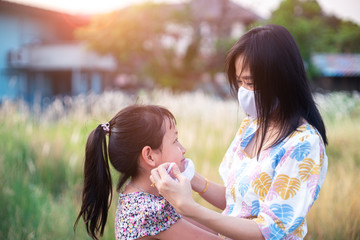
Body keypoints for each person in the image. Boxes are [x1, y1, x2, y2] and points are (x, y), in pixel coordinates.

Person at [150, 24, 328, 240]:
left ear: (282, 80)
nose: (244, 91)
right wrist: (191, 178)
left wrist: (191, 209)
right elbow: (238, 202)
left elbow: (266, 231)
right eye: (240, 82)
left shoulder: (302, 144)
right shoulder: (251, 126)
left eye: (251, 83)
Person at [74, 104, 222, 240]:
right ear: (149, 156)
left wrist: (191, 178)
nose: (183, 149)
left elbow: (214, 229)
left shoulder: (139, 197)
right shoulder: (150, 211)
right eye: (175, 140)